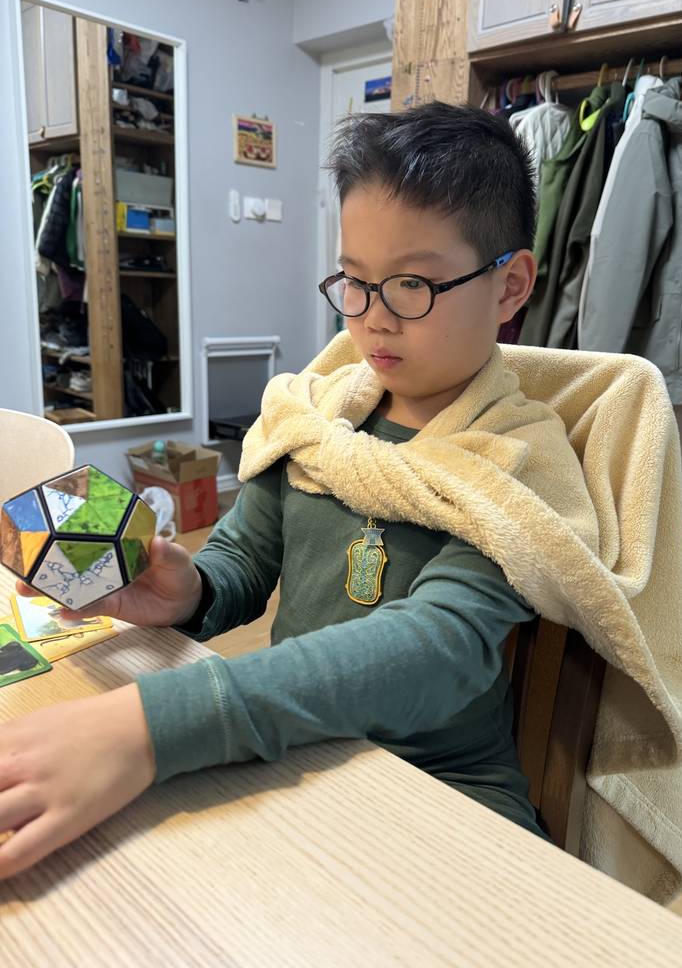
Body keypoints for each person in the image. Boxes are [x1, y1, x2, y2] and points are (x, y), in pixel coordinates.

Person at [0, 102, 546, 879]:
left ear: (510, 285)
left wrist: (152, 725)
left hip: (444, 786)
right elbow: (245, 562)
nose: (372, 319)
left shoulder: (519, 460)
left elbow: (436, 649)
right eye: (354, 282)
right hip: (296, 748)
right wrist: (190, 590)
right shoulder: (314, 420)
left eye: (412, 284)